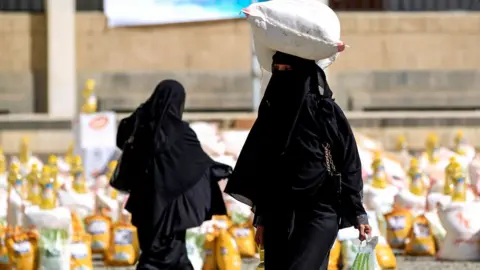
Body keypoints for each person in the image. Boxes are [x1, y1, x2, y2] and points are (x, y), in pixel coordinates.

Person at [224, 52, 371, 270]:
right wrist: (262, 219)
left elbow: (348, 163)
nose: (282, 77)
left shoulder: (326, 113)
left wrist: (358, 213)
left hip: (320, 211)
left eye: (288, 70)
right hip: (278, 215)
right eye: (278, 70)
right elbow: (261, 168)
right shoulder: (271, 116)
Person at [117, 80, 232, 270]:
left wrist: (143, 111)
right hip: (171, 211)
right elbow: (197, 163)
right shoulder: (181, 132)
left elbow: (122, 140)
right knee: (170, 256)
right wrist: (218, 168)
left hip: (145, 205)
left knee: (154, 254)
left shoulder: (142, 128)